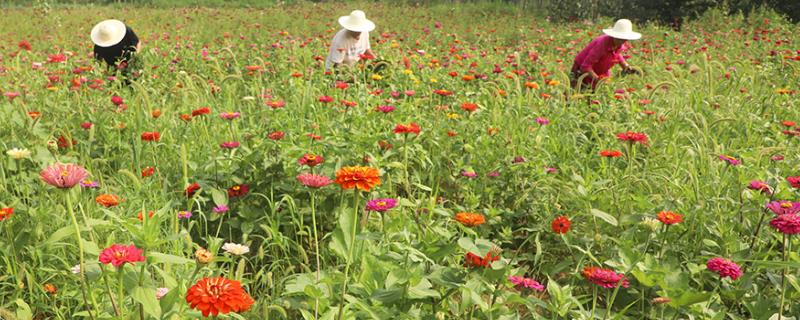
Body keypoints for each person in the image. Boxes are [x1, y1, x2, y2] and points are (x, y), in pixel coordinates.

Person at [571, 19, 641, 90]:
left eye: (625, 39)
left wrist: (625, 65)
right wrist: (599, 80)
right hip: (582, 71)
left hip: (600, 71)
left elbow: (617, 54)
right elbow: (585, 67)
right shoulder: (602, 45)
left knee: (604, 92)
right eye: (620, 39)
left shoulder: (619, 44)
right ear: (614, 35)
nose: (622, 42)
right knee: (578, 93)